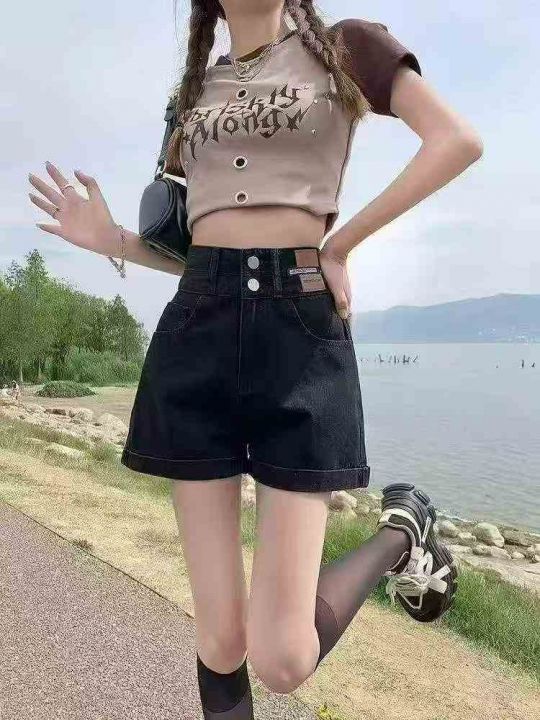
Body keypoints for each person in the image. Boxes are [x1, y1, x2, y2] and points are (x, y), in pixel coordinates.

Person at [28, 2, 482, 717]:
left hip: (299, 332)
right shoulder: (194, 95)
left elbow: (455, 141)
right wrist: (110, 239)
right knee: (219, 639)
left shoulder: (345, 49)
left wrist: (338, 246)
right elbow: (192, 253)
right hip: (197, 331)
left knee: (282, 658)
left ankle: (403, 531)